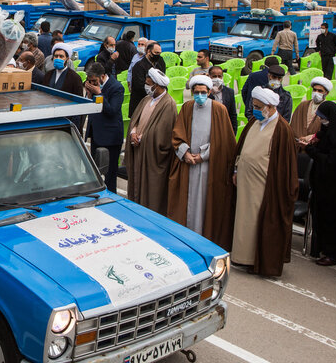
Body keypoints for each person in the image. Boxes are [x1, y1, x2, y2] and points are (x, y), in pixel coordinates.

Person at [230, 87, 299, 276]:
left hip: (264, 188)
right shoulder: (254, 121)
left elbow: (285, 167)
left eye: (259, 107)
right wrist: (236, 169)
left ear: (270, 107)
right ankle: (241, 257)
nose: (256, 110)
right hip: (244, 183)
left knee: (257, 224)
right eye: (254, 106)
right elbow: (242, 148)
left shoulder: (282, 129)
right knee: (243, 222)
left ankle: (256, 261)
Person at [168, 74, 237, 240]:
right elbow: (178, 134)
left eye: (203, 92)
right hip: (188, 163)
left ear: (209, 91)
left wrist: (203, 156)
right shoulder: (187, 107)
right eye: (196, 92)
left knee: (205, 203)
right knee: (188, 202)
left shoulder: (219, 110)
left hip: (208, 166)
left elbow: (224, 141)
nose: (200, 96)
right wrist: (185, 153)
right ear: (192, 92)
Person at [306, 101, 336, 267]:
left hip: (335, 186)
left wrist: (310, 150)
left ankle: (334, 253)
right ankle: (322, 248)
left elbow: (331, 161)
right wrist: (316, 140)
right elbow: (323, 138)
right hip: (323, 183)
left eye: (323, 118)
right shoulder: (330, 130)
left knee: (333, 220)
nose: (322, 121)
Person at [124, 68, 177, 213]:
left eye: (149, 83)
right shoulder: (146, 99)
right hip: (138, 150)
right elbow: (136, 120)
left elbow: (163, 134)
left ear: (157, 85)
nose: (146, 86)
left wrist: (142, 138)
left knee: (150, 193)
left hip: (151, 156)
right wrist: (133, 132)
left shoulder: (168, 104)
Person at [83, 62, 124, 192]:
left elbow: (112, 110)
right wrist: (90, 95)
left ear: (102, 76)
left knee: (110, 174)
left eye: (94, 81)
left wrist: (99, 93)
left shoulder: (116, 87)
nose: (92, 83)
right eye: (89, 81)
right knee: (95, 171)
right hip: (96, 135)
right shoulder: (93, 87)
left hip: (111, 138)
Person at [128, 41, 165, 118]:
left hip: (155, 103)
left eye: (159, 53)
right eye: (156, 53)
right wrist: (154, 92)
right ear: (149, 51)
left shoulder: (159, 63)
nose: (158, 55)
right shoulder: (139, 66)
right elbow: (139, 87)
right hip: (141, 104)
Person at [291, 76, 330, 148]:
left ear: (326, 93)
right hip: (297, 146)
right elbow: (294, 124)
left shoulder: (328, 109)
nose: (316, 93)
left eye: (320, 91)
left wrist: (310, 138)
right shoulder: (303, 105)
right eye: (314, 90)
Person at [208, 65, 237, 134]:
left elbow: (232, 114)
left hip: (224, 127)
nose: (217, 79)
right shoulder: (205, 92)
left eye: (219, 76)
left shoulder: (229, 92)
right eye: (214, 76)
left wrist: (233, 132)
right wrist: (211, 93)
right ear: (209, 77)